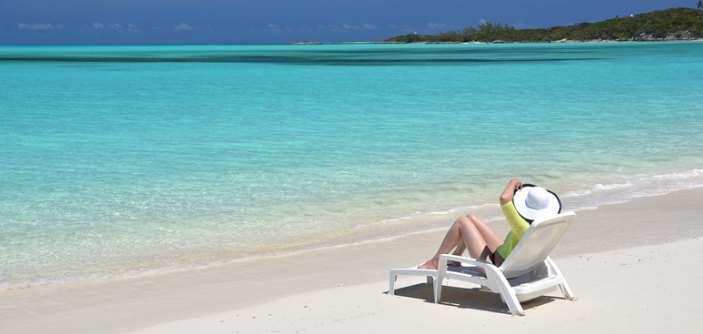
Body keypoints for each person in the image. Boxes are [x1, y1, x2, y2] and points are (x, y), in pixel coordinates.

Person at [418, 178, 560, 269]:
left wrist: (513, 181)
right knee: (470, 218)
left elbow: (504, 199)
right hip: (511, 257)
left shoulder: (522, 226)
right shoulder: (545, 223)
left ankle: (434, 262)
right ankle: (456, 256)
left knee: (462, 222)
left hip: (498, 264)